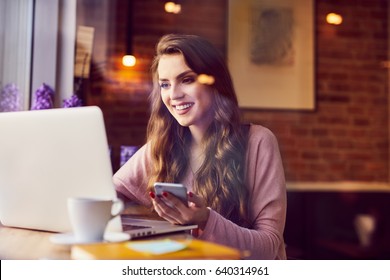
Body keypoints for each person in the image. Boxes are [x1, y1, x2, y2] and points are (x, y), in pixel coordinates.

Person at [113, 34, 287, 259]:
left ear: (214, 83)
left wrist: (205, 218)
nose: (173, 95)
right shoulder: (161, 145)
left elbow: (268, 248)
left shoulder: (258, 142)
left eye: (187, 79)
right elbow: (108, 193)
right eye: (165, 84)